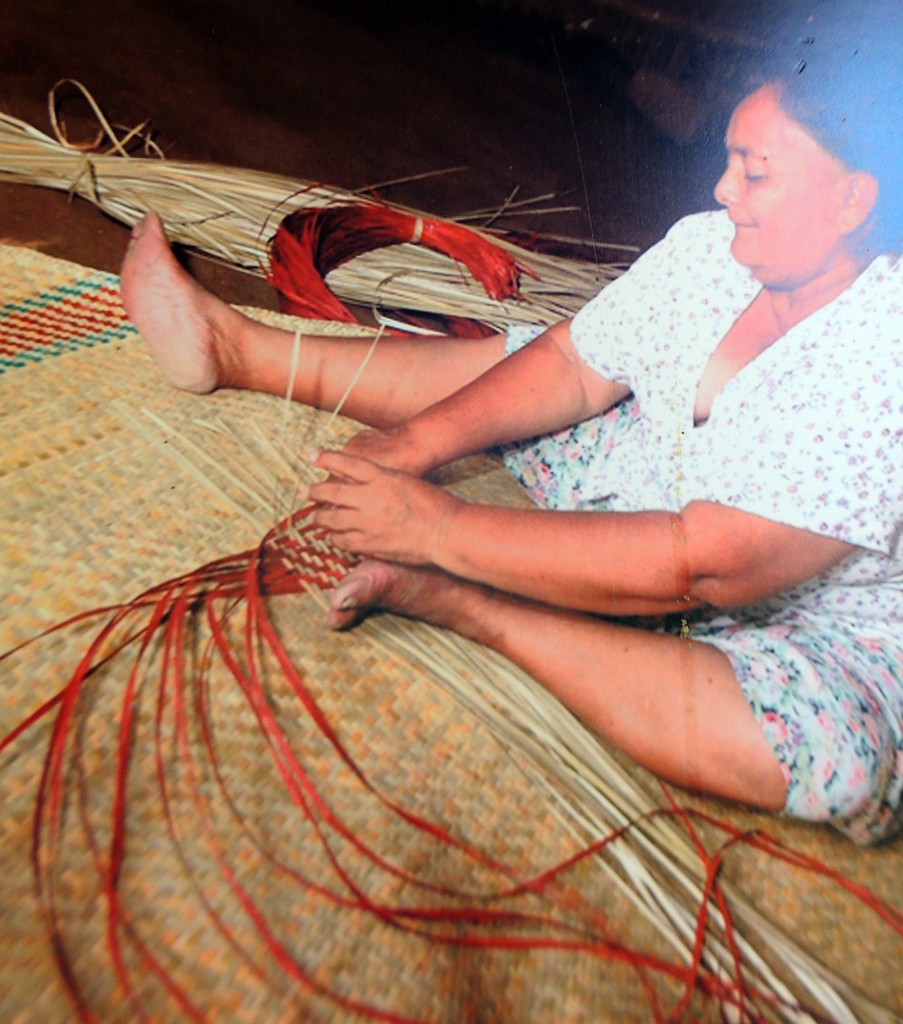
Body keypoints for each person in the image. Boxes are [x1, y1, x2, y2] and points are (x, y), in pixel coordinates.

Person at [119, 44, 901, 844]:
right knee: (525, 360)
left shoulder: (885, 352)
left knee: (831, 753)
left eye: (754, 172)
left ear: (850, 199)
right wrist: (415, 446)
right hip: (651, 486)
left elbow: (710, 560)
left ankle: (479, 611)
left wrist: (440, 533)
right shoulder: (715, 250)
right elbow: (573, 364)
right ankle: (238, 350)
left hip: (804, 619)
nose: (722, 189)